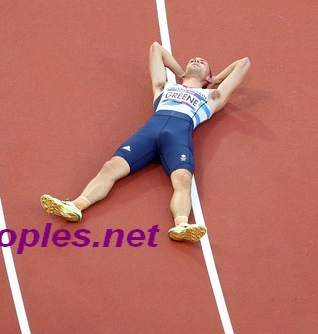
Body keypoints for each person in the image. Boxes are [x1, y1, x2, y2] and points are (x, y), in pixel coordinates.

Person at [41, 42, 251, 242]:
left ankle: (181, 225)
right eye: (193, 60)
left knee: (184, 179)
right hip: (149, 133)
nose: (196, 60)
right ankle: (75, 206)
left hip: (178, 138)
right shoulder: (164, 88)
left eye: (202, 62)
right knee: (110, 167)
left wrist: (216, 80)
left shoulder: (211, 96)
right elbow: (156, 49)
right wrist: (180, 74)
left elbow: (244, 63)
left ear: (208, 76)